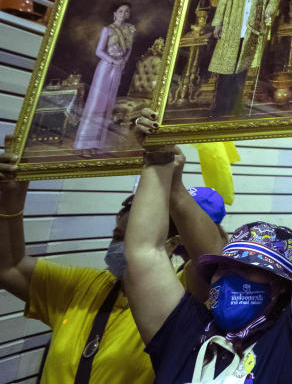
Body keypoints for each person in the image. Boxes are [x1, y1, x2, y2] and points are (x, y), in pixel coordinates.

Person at [123, 68, 292, 383]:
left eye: (247, 269)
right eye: (223, 268)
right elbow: (144, 252)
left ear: (279, 287)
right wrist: (157, 161)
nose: (226, 277)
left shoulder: (291, 343)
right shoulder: (184, 333)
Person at [0, 138, 224, 384]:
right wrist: (12, 194)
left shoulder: (181, 293)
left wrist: (174, 187)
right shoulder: (83, 287)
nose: (125, 249)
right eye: (117, 237)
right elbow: (9, 267)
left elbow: (213, 261)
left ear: (171, 245)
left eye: (132, 240)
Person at [208, 0, 281, 118]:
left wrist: (268, 11)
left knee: (241, 70)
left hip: (252, 28)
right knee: (226, 70)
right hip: (233, 25)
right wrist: (218, 23)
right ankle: (219, 109)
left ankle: (233, 110)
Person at [74, 2, 135, 153]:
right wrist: (113, 60)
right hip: (105, 68)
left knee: (108, 105)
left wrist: (123, 61)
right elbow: (99, 51)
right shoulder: (107, 29)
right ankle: (84, 145)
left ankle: (96, 144)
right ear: (115, 13)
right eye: (120, 11)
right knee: (96, 104)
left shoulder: (130, 29)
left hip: (118, 68)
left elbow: (129, 49)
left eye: (126, 11)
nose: (123, 14)